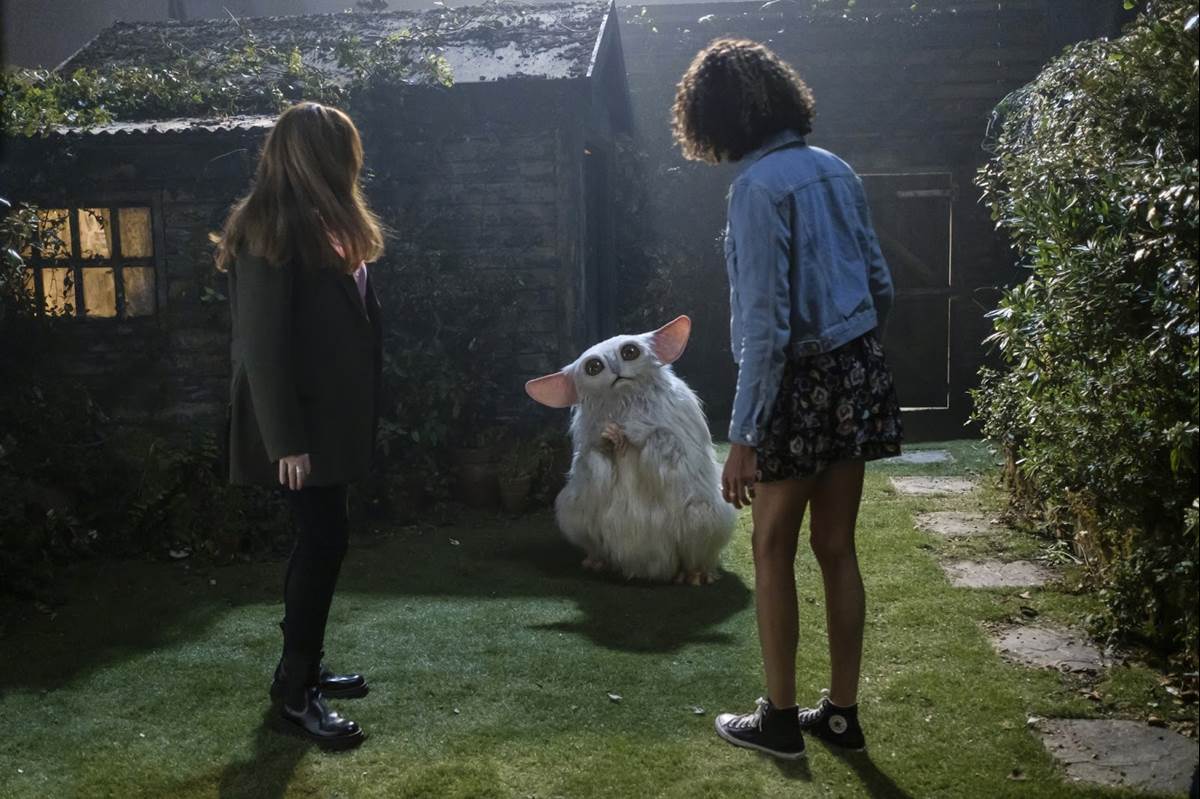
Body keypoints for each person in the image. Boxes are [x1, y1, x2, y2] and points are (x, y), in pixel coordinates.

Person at [672, 39, 903, 759]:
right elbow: (881, 286)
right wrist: (851, 359)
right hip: (857, 366)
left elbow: (765, 327)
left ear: (716, 116)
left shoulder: (756, 189)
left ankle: (778, 721)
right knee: (836, 546)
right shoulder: (836, 168)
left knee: (771, 546)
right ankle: (840, 716)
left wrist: (743, 437)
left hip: (796, 380)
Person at [214, 101, 385, 751]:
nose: (352, 163)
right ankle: (296, 691)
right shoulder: (270, 226)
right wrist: (285, 440)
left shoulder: (322, 222)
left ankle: (300, 669)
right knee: (322, 540)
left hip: (327, 415)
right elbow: (262, 346)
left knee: (323, 538)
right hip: (298, 426)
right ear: (317, 155)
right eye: (343, 151)